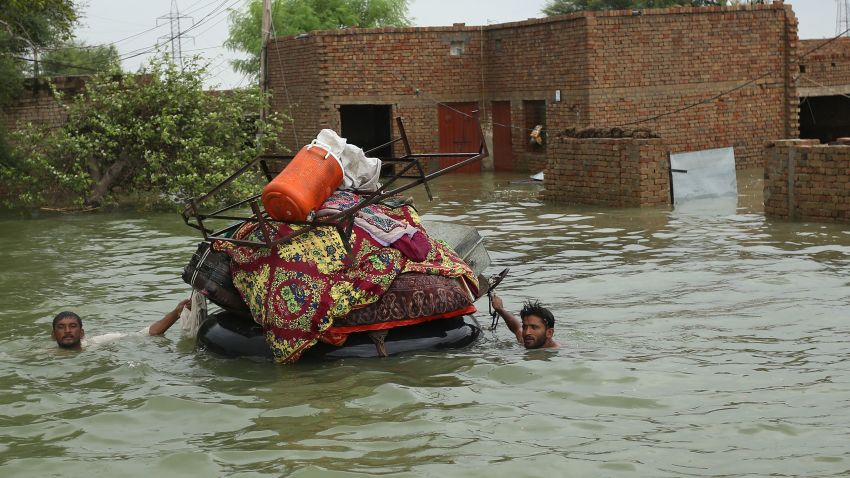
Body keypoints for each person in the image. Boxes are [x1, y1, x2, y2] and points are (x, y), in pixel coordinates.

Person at [51, 299, 190, 350]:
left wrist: (176, 312)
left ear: (82, 333)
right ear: (53, 335)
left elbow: (145, 334)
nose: (67, 331)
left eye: (73, 326)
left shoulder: (97, 343)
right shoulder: (45, 356)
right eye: (61, 327)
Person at [491, 294, 559, 349]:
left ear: (549, 333)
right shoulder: (527, 340)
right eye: (525, 327)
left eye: (534, 327)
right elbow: (517, 328)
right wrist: (500, 309)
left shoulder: (560, 353)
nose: (527, 332)